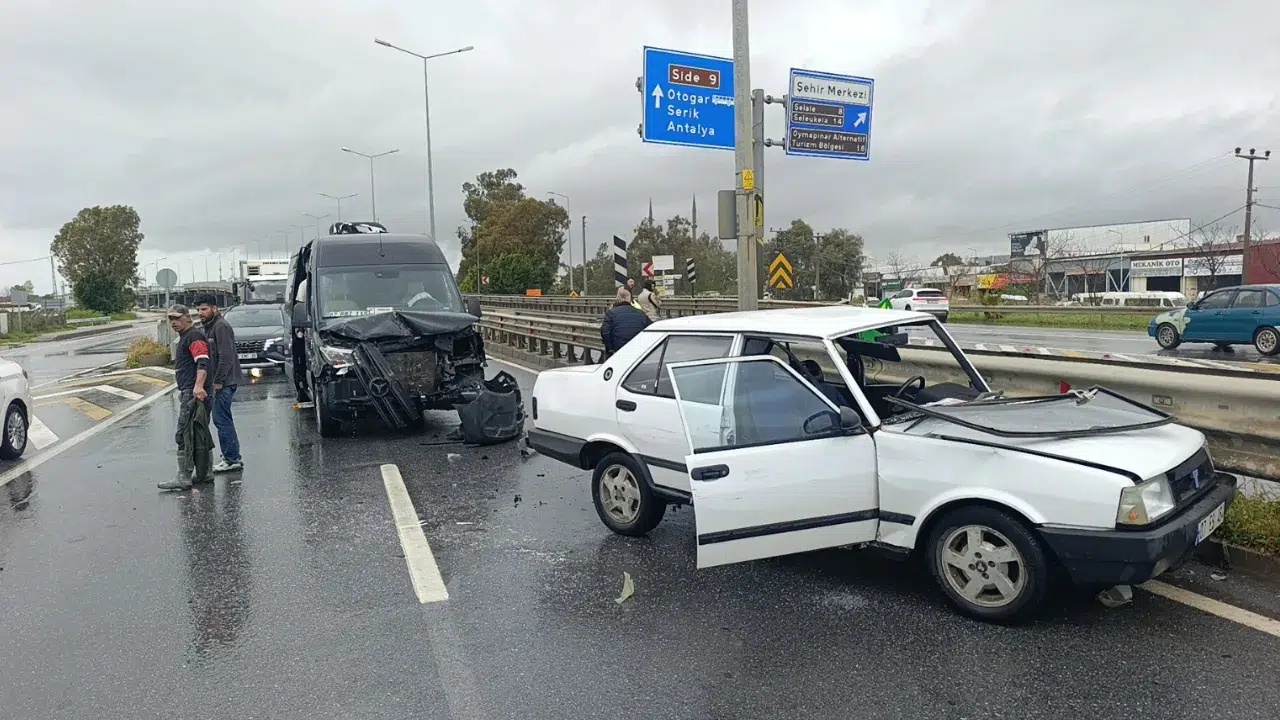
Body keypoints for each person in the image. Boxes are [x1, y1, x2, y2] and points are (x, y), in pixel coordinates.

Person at [158, 305, 216, 491]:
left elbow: (203, 362)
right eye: (170, 319)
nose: (173, 322)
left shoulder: (193, 336)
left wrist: (198, 386)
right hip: (194, 391)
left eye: (177, 318)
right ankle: (204, 474)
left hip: (194, 393)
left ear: (187, 318)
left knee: (184, 434)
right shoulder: (187, 336)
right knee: (200, 433)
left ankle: (183, 477)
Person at [195, 295, 243, 473]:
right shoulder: (209, 327)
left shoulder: (220, 326)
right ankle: (231, 457)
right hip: (219, 382)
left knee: (222, 420)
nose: (200, 312)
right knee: (222, 420)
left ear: (215, 308)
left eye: (204, 309)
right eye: (199, 309)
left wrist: (218, 381)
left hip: (224, 383)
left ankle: (232, 459)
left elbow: (226, 356)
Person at [600, 287, 650, 358]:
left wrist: (610, 349)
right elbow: (650, 328)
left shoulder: (611, 313)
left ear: (618, 298)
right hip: (637, 350)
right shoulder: (641, 313)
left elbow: (605, 332)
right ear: (630, 298)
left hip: (618, 349)